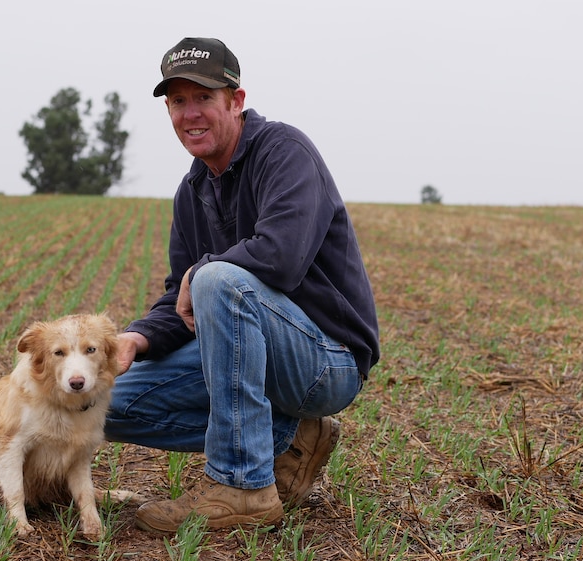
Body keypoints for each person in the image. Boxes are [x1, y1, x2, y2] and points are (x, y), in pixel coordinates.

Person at [104, 37, 379, 534]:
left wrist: (200, 274)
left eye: (203, 98)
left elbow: (280, 257)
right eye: (177, 101)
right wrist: (137, 338)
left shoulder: (285, 152)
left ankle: (244, 486)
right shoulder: (191, 192)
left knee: (217, 280)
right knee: (101, 403)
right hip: (247, 350)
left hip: (325, 359)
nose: (190, 114)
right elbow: (180, 301)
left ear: (236, 100)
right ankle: (287, 437)